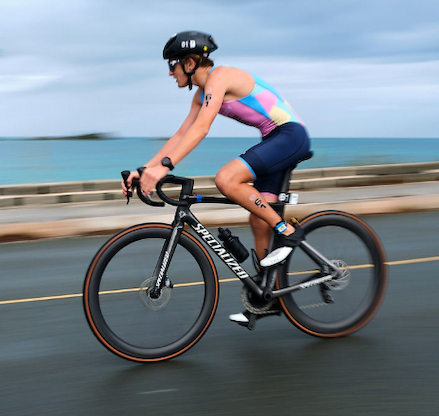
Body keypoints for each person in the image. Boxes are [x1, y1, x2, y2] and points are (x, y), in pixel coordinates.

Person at [122, 31, 311, 324]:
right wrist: (145, 169)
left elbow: (201, 130)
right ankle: (270, 296)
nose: (170, 72)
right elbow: (182, 133)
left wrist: (164, 168)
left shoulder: (219, 77)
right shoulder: (201, 95)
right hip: (274, 139)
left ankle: (287, 231)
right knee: (258, 219)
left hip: (289, 135)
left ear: (189, 62)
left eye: (172, 65)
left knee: (226, 179)